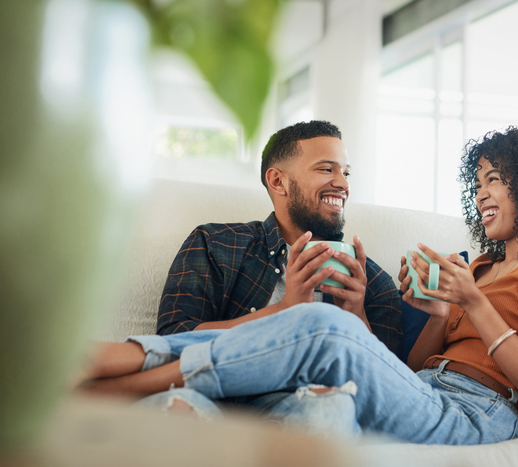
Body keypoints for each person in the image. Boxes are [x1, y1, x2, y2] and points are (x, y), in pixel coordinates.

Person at [76, 126, 518, 445]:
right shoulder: (218, 244)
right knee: (319, 330)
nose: (483, 194)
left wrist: (456, 304)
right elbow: (413, 371)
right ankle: (127, 371)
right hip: (427, 391)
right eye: (480, 183)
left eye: (496, 180)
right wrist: (430, 309)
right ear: (277, 181)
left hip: (480, 410)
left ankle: (120, 369)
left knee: (325, 344)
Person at [140, 120, 402, 431]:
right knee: (173, 409)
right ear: (278, 181)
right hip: (211, 398)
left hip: (302, 406)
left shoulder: (372, 284)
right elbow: (172, 341)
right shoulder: (217, 244)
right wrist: (285, 310)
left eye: (346, 172)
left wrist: (355, 314)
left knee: (334, 408)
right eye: (326, 169)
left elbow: (388, 394)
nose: (343, 184)